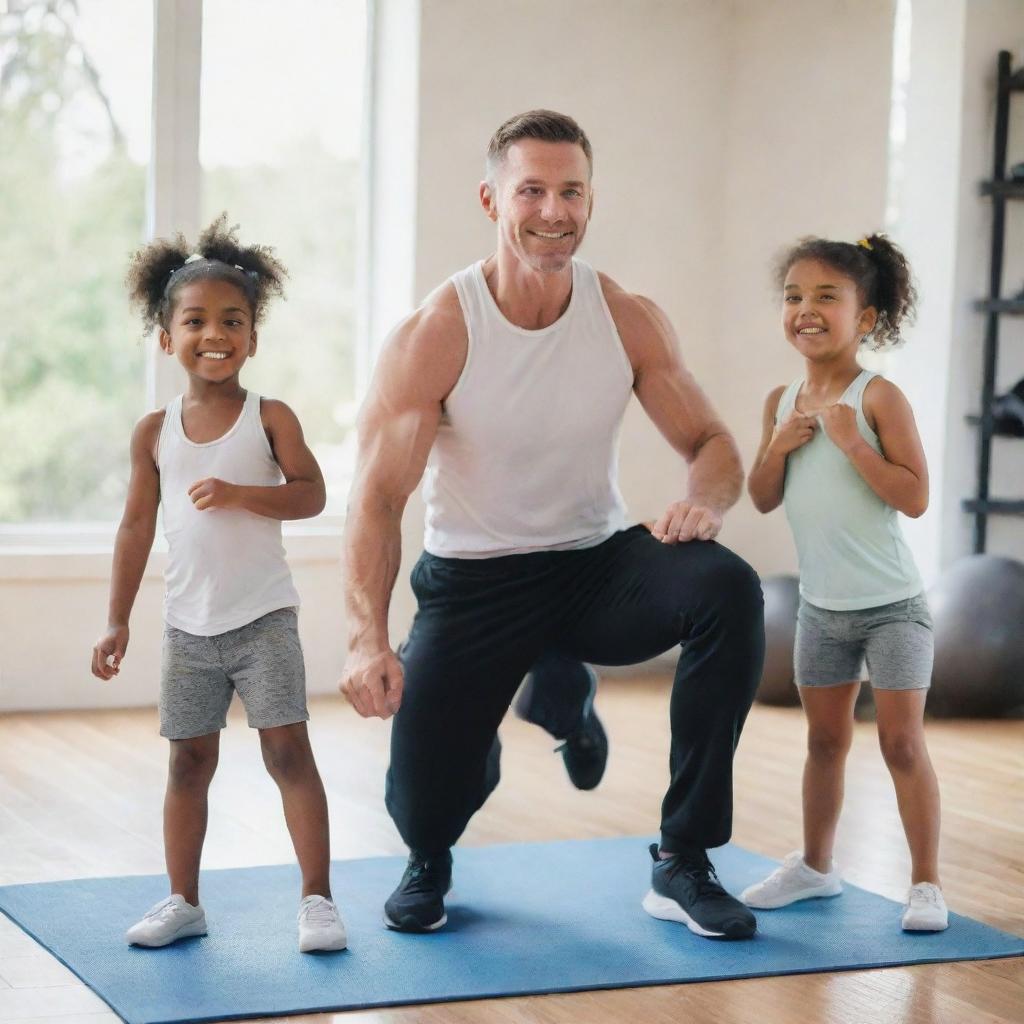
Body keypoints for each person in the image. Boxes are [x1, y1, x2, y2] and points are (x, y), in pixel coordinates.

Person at [340, 111, 765, 940]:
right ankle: (439, 840)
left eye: (571, 191)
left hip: (593, 566)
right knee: (424, 805)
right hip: (476, 581)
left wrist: (706, 501)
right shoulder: (437, 333)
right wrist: (365, 638)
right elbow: (376, 500)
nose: (553, 211)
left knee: (726, 587)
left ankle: (683, 858)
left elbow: (713, 444)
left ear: (590, 198)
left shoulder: (626, 316)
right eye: (531, 190)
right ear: (491, 199)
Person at [91, 217, 346, 952]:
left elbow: (311, 494)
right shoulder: (152, 432)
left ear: (253, 337)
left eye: (232, 320)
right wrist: (116, 620)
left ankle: (318, 901)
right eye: (195, 321)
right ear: (166, 338)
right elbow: (136, 529)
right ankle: (183, 901)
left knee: (287, 754)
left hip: (263, 619)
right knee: (188, 762)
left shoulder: (270, 418)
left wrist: (242, 494)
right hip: (186, 626)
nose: (215, 333)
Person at [743, 234, 947, 931]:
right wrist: (777, 445)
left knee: (901, 745)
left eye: (827, 296)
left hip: (892, 608)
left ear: (865, 318)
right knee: (823, 743)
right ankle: (815, 868)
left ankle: (925, 885)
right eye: (795, 295)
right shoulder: (779, 400)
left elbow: (914, 497)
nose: (806, 308)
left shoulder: (877, 396)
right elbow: (763, 496)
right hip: (819, 610)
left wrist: (853, 442)